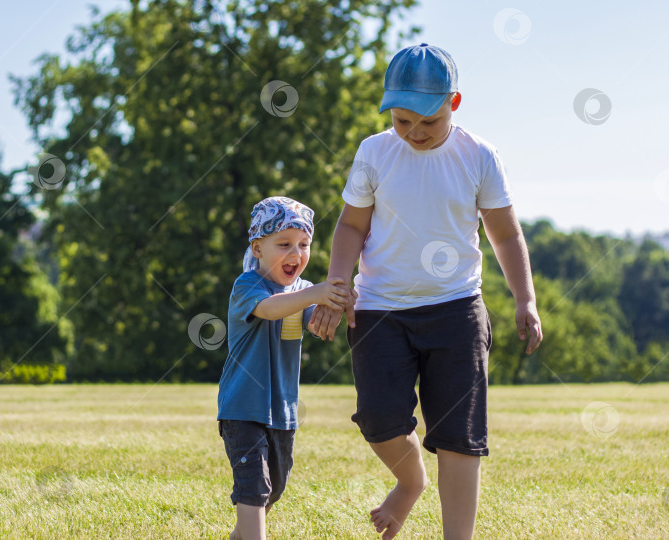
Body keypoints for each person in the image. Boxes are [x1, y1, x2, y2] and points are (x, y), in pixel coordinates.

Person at [309, 43, 543, 539]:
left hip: (456, 311)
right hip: (379, 311)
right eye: (402, 120)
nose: (414, 132)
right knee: (378, 418)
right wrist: (338, 283)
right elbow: (351, 226)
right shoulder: (375, 152)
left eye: (427, 122)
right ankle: (409, 482)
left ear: (453, 104)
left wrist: (525, 298)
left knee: (460, 438)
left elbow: (504, 234)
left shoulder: (478, 156)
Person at [217, 196, 354, 540]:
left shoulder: (305, 291)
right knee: (253, 492)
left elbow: (319, 324)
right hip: (243, 411)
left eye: (304, 244)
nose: (296, 253)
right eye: (284, 244)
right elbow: (271, 309)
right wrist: (316, 295)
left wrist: (342, 306)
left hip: (283, 415)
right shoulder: (247, 286)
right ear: (258, 248)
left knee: (272, 491)